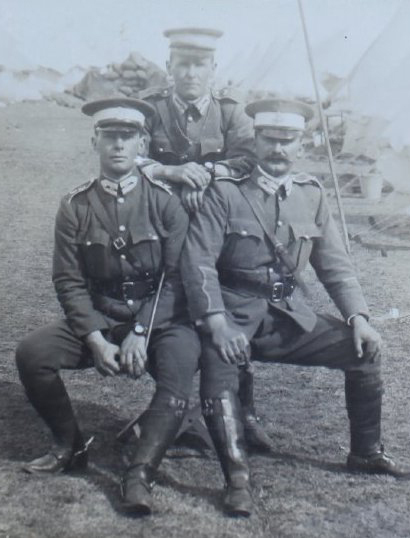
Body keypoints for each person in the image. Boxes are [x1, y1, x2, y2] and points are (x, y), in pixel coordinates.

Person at [180, 99, 410, 517]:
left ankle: (365, 452)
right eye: (269, 139)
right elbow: (198, 262)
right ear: (254, 140)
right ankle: (236, 479)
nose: (278, 149)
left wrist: (359, 319)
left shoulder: (311, 195)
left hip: (286, 317)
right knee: (219, 375)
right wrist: (215, 323)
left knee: (362, 351)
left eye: (287, 141)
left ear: (301, 144)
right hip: (231, 315)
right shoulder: (224, 192)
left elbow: (336, 266)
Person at [14, 97, 200, 516]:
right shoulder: (75, 205)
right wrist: (95, 339)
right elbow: (68, 279)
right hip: (102, 317)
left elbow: (175, 279)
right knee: (33, 353)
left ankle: (140, 472)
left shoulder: (165, 201)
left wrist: (142, 331)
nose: (118, 145)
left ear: (142, 143)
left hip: (158, 320)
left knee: (181, 368)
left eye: (127, 136)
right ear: (94, 141)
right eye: (109, 136)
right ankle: (69, 445)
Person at [139, 26, 273, 453]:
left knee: (228, 305)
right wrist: (170, 172)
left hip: (220, 228)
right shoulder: (149, 110)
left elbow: (249, 160)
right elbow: (129, 157)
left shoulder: (232, 113)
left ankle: (243, 411)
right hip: (163, 227)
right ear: (169, 67)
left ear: (213, 69)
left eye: (200, 64)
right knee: (173, 311)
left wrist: (208, 173)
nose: (191, 73)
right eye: (183, 64)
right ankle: (183, 414)